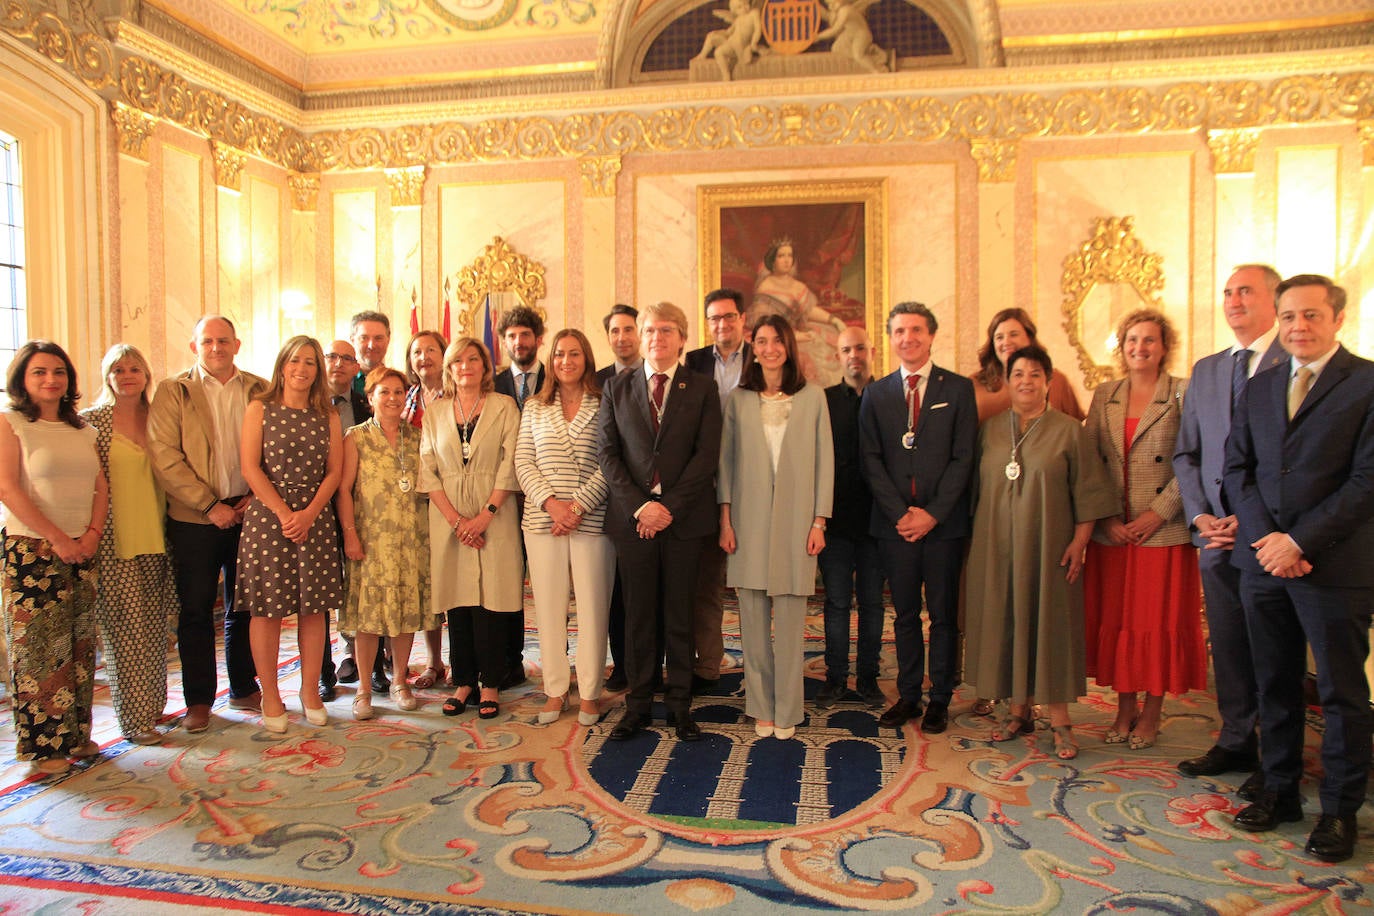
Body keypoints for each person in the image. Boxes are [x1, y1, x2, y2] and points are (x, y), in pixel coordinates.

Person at [1224, 274, 1374, 864]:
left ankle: (1339, 811)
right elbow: (1239, 471)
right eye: (1288, 317)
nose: (1298, 327)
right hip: (1263, 563)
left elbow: (1367, 482)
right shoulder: (1260, 387)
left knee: (1340, 695)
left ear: (1337, 318)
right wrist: (1267, 540)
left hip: (1333, 564)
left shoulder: (1366, 383)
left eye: (1311, 316)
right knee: (1274, 682)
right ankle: (1280, 789)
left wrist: (1298, 541)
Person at [964, 346, 1116, 760]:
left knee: (1049, 625)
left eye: (1035, 374)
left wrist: (1080, 542)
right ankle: (1016, 711)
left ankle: (1061, 720)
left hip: (1050, 546)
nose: (1026, 381)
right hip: (996, 547)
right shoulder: (991, 430)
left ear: (1049, 381)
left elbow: (1088, 492)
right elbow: (977, 493)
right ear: (1008, 381)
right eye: (1018, 374)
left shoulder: (1070, 431)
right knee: (1007, 621)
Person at [1172, 264, 1286, 793]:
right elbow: (1187, 451)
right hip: (1213, 534)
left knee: (1273, 646)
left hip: (1269, 537)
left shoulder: (1297, 363)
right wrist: (1199, 517)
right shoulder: (1209, 369)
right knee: (1230, 643)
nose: (1234, 300)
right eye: (1228, 292)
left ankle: (1279, 754)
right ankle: (1237, 736)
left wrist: (1254, 518)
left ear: (1274, 300)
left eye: (1246, 291)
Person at [598, 301, 722, 742]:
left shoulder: (703, 389)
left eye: (666, 330)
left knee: (679, 615)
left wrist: (667, 507)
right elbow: (608, 455)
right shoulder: (615, 387)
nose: (656, 337)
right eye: (650, 330)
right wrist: (641, 507)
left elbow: (706, 458)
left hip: (684, 521)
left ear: (682, 338)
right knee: (638, 617)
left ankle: (680, 706)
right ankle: (637, 707)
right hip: (633, 523)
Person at [1083, 310, 1205, 751]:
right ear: (1122, 346)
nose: (1140, 348)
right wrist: (1105, 518)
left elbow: (1193, 457)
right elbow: (1091, 461)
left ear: (1163, 346)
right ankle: (1124, 705)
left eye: (1149, 341)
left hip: (1162, 532)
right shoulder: (1105, 395)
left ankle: (1152, 711)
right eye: (1132, 340)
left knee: (1154, 622)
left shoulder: (1183, 393)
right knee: (1119, 620)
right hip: (1113, 533)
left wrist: (1159, 512)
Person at [858, 301, 976, 735]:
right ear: (890, 339)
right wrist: (899, 514)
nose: (908, 338)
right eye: (899, 331)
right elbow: (870, 460)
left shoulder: (958, 389)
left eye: (916, 330)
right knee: (905, 614)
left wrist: (931, 514)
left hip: (943, 527)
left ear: (931, 335)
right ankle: (909, 694)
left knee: (944, 615)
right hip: (894, 529)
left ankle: (940, 697)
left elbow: (964, 459)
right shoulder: (877, 393)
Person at [149, 316, 267, 733]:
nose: (215, 347)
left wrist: (258, 497)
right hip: (194, 517)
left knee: (247, 605)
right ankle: (199, 700)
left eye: (223, 341)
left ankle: (243, 686)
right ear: (194, 346)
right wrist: (209, 504)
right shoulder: (173, 391)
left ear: (237, 344)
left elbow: (273, 445)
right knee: (196, 611)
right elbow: (164, 455)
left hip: (250, 512)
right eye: (207, 341)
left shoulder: (259, 389)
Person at [719, 315, 833, 739]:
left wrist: (820, 520)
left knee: (789, 622)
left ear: (788, 346)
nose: (769, 348)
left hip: (796, 520)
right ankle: (761, 707)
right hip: (747, 521)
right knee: (751, 621)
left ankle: (788, 709)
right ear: (753, 348)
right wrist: (725, 520)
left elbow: (826, 462)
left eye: (776, 341)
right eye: (761, 341)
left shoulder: (813, 398)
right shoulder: (739, 400)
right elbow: (726, 464)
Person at [0, 341, 108, 774]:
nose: (51, 379)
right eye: (40, 372)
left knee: (80, 646)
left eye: (59, 372)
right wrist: (57, 539)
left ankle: (76, 736)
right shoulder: (11, 424)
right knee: (39, 653)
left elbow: (100, 487)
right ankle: (44, 750)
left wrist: (93, 534)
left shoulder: (84, 430)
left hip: (83, 548)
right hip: (31, 550)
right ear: (23, 380)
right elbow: (8, 489)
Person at [238, 336, 344, 733]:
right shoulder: (260, 408)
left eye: (311, 363)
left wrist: (311, 512)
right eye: (295, 361)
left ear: (318, 371)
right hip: (269, 518)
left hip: (314, 517)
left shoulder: (328, 415)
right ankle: (270, 694)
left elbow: (334, 471)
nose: (302, 369)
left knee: (314, 609)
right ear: (282, 365)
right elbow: (250, 467)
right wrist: (285, 513)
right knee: (267, 609)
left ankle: (310, 691)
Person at [81, 344, 180, 745]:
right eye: (118, 369)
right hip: (114, 542)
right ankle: (135, 722)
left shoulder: (159, 417)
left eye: (134, 368)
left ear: (146, 374)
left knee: (157, 630)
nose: (127, 375)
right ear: (107, 375)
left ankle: (152, 709)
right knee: (126, 633)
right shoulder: (91, 424)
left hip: (160, 536)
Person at [515, 329, 614, 727]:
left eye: (574, 354)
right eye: (559, 354)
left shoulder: (604, 403)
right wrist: (553, 506)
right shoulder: (535, 407)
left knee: (592, 608)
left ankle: (590, 692)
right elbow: (524, 462)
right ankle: (556, 690)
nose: (566, 361)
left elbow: (611, 462)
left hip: (592, 520)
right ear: (551, 360)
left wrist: (576, 507)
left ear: (586, 359)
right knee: (550, 609)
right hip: (542, 521)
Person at [421, 338, 522, 720]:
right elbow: (427, 470)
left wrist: (486, 514)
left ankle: (492, 683)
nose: (465, 365)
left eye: (473, 359)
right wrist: (456, 521)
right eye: (457, 360)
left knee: (492, 599)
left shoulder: (504, 406)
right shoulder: (435, 412)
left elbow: (510, 461)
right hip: (448, 514)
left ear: (486, 366)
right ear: (449, 369)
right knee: (458, 599)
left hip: (494, 512)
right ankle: (464, 680)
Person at [337, 367, 437, 720]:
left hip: (412, 540)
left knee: (406, 613)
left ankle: (399, 681)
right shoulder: (355, 437)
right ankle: (363, 689)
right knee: (369, 617)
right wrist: (350, 533)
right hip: (370, 541)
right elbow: (344, 490)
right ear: (371, 397)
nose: (393, 398)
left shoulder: (418, 437)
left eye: (399, 392)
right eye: (385, 392)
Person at [684, 288, 752, 694]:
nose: (722, 325)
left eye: (729, 317)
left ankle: (759, 665)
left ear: (743, 318)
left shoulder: (762, 359)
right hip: (706, 487)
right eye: (714, 319)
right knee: (707, 583)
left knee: (755, 584)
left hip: (754, 484)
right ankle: (709, 665)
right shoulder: (691, 363)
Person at [815, 326, 885, 710]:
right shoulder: (823, 401)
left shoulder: (888, 397)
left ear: (872, 351)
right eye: (846, 350)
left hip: (878, 522)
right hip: (836, 522)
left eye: (860, 348)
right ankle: (836, 677)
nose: (854, 355)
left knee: (873, 604)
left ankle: (869, 678)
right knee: (837, 603)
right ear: (837, 356)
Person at [493, 305, 546, 690]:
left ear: (538, 338)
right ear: (503, 342)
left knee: (550, 584)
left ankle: (555, 658)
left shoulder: (556, 378)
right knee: (508, 583)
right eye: (511, 336)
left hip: (547, 499)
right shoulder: (492, 384)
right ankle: (509, 661)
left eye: (525, 334)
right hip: (504, 500)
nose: (518, 341)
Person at [321, 338, 371, 702]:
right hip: (315, 506)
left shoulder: (363, 403)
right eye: (332, 356)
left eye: (347, 359)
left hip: (358, 505)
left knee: (360, 581)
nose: (338, 363)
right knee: (321, 591)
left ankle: (368, 657)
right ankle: (328, 667)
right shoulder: (305, 400)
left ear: (356, 368)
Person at [595, 304, 642, 692]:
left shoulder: (657, 375)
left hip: (655, 502)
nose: (622, 337)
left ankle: (650, 663)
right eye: (615, 331)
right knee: (617, 593)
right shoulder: (596, 382)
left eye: (629, 329)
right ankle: (622, 665)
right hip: (610, 501)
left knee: (651, 592)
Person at [400, 329, 450, 691]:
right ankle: (434, 660)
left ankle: (461, 658)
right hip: (413, 503)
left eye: (431, 350)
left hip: (451, 498)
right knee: (425, 584)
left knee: (451, 580)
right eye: (417, 352)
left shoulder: (454, 395)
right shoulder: (405, 398)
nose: (423, 358)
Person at [346, 313, 393, 694]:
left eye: (378, 337)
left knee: (393, 594)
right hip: (353, 508)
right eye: (364, 338)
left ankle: (385, 669)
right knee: (359, 597)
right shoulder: (340, 378)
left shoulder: (395, 380)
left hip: (395, 516)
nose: (371, 344)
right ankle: (357, 665)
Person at [751, 238, 848, 387]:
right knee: (808, 358)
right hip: (779, 338)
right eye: (781, 256)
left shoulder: (797, 286)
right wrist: (795, 336)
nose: (786, 260)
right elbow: (766, 325)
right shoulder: (766, 286)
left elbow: (808, 311)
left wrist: (834, 320)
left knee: (832, 345)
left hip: (799, 332)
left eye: (789, 255)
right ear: (773, 260)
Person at [970, 308, 1085, 424]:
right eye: (999, 337)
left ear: (1029, 338)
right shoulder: (973, 384)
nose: (1006, 342)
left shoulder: (1057, 381)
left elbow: (1078, 429)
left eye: (1013, 334)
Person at [349, 310, 391, 400]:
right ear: (352, 340)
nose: (371, 346)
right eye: (364, 338)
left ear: (388, 340)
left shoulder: (400, 384)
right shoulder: (340, 381)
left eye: (378, 338)